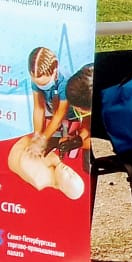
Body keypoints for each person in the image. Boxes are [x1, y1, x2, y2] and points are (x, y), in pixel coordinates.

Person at [8, 46, 85, 199]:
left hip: (72, 116)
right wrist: (37, 135)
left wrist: (43, 138)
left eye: (44, 83)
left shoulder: (65, 84)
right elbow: (38, 108)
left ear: (55, 71)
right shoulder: (37, 79)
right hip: (54, 115)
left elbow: (60, 114)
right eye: (37, 83)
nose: (41, 86)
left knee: (66, 137)